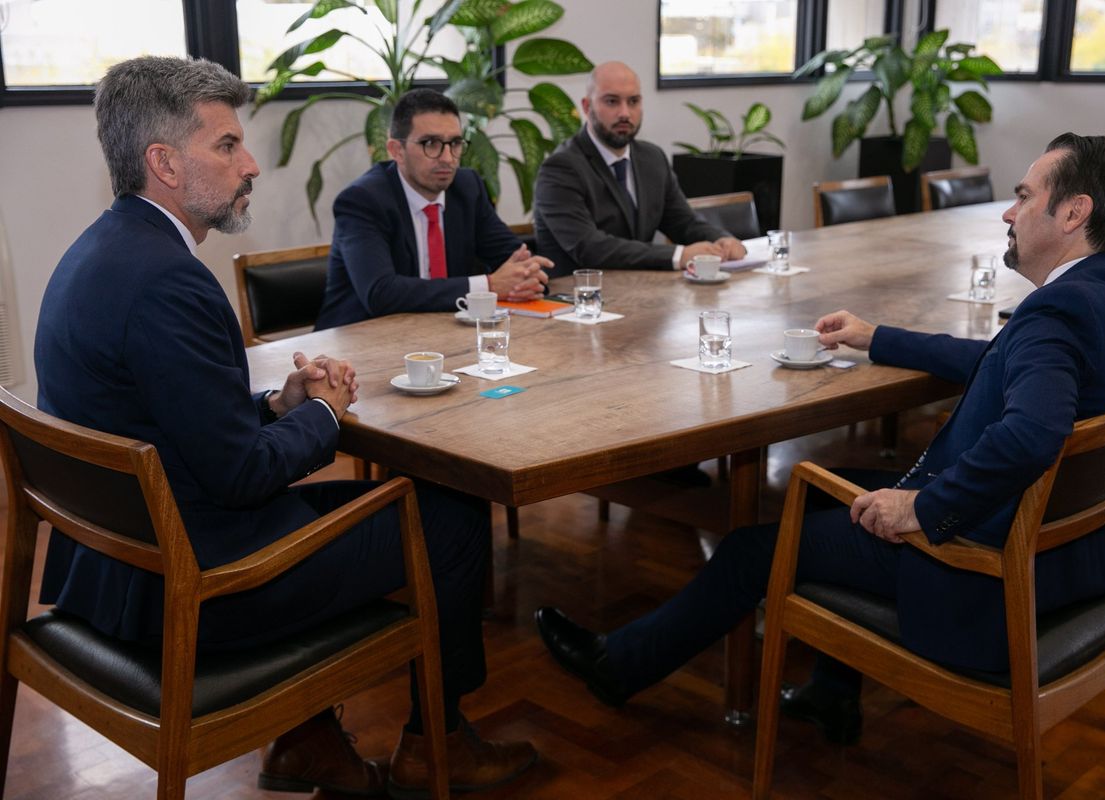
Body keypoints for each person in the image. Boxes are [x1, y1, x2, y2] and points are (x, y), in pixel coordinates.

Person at [535, 133, 1105, 743]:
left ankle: (618, 669)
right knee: (818, 500)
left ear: (1073, 212)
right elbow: (999, 362)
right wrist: (877, 337)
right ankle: (831, 692)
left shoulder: (1055, 312)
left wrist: (923, 507)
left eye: (1024, 197)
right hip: (1064, 561)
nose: (1009, 211)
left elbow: (1032, 432)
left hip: (976, 573)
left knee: (751, 549)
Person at [35, 57, 535, 797]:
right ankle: (439, 749)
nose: (252, 165)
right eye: (228, 146)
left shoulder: (97, 254)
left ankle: (306, 742)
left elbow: (173, 421)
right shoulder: (172, 283)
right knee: (453, 518)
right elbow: (241, 477)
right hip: (200, 585)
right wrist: (328, 414)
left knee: (375, 508)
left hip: (115, 566)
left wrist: (278, 406)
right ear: (164, 163)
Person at [315, 88, 552, 328]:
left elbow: (515, 259)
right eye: (431, 143)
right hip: (354, 346)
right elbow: (380, 294)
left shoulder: (467, 188)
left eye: (455, 143)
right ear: (396, 150)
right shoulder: (363, 200)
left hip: (440, 334)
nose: (448, 158)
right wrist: (488, 286)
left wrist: (527, 275)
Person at [533, 61, 747, 277]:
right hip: (578, 301)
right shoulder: (560, 168)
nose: (625, 113)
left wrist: (721, 240)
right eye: (612, 101)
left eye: (633, 101)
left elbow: (683, 222)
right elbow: (590, 248)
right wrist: (678, 255)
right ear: (587, 107)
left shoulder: (651, 158)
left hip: (642, 292)